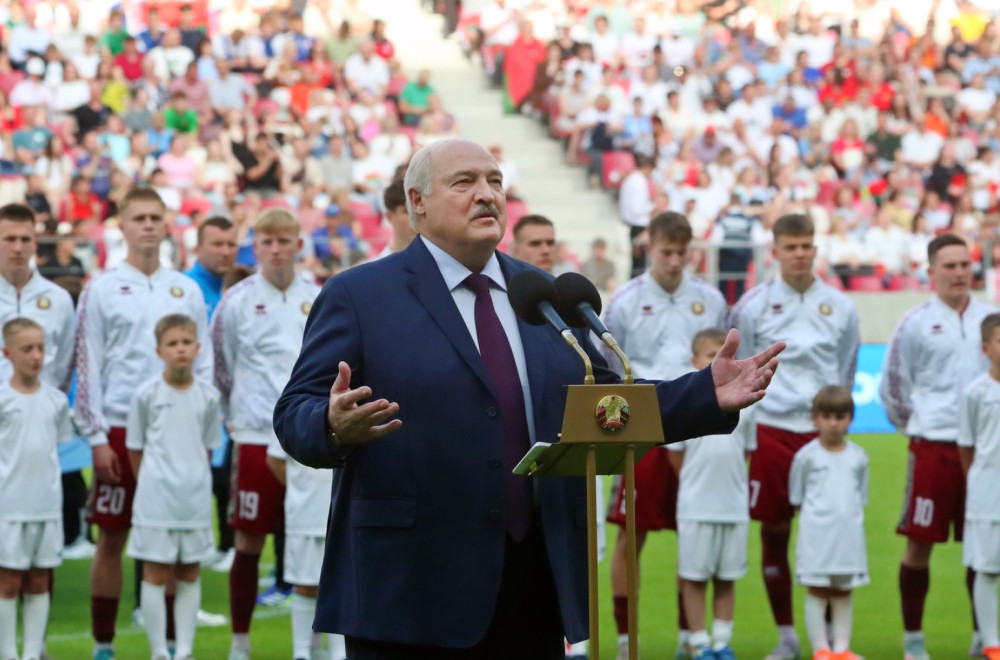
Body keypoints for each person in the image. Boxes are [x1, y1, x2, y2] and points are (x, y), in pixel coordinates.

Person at [272, 139, 783, 659]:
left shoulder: (541, 293)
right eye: (464, 182)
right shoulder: (359, 295)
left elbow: (606, 405)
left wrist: (705, 393)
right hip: (408, 587)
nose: (486, 194)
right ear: (416, 202)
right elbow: (295, 412)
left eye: (494, 181)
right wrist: (333, 425)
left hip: (531, 584)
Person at [75, 187, 212, 660]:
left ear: (167, 223)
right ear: (122, 224)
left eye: (156, 217)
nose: (149, 225)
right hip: (116, 427)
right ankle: (104, 643)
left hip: (175, 432)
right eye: (140, 218)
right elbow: (87, 363)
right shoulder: (101, 287)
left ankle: (173, 645)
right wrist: (95, 436)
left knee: (174, 545)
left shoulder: (187, 289)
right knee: (111, 537)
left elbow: (207, 364)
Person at [728, 213, 860, 660]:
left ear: (816, 248)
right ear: (776, 251)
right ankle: (787, 636)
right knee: (775, 532)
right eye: (792, 246)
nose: (800, 254)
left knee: (828, 533)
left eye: (807, 245)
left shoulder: (840, 306)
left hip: (822, 435)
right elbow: (740, 371)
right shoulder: (752, 305)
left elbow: (844, 372)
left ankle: (829, 642)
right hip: (772, 431)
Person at [602, 211, 727, 659]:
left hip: (697, 430)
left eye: (681, 252)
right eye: (665, 251)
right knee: (630, 536)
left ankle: (688, 639)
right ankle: (623, 640)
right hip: (643, 431)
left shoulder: (710, 300)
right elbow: (608, 366)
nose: (674, 261)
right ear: (648, 247)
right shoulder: (624, 300)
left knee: (692, 535)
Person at [211, 208, 321, 660]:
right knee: (248, 540)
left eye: (284, 241)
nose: (276, 250)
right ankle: (240, 642)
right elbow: (221, 366)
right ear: (254, 248)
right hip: (256, 436)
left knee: (313, 537)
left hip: (309, 435)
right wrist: (239, 418)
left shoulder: (318, 297)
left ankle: (313, 644)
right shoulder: (236, 300)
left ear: (298, 244)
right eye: (266, 242)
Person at [880, 233, 996, 660]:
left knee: (983, 545)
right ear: (931, 273)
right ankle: (913, 642)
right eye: (950, 265)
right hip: (933, 449)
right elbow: (892, 384)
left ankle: (983, 638)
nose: (960, 272)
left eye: (965, 264)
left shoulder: (992, 318)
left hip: (986, 454)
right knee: (919, 544)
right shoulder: (914, 322)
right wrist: (919, 426)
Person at [126, 314, 221, 660]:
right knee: (154, 572)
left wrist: (192, 478)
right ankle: (158, 652)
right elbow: (135, 448)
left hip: (193, 499)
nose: (180, 349)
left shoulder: (209, 397)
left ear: (197, 348)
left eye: (186, 343)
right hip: (155, 499)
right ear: (159, 351)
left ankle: (183, 651)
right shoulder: (146, 395)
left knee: (190, 571)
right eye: (172, 344)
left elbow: (207, 447)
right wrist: (153, 483)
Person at [668, 329, 753, 660]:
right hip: (696, 506)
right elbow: (676, 456)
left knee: (727, 576)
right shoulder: (687, 404)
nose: (716, 357)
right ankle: (698, 642)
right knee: (694, 577)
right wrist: (695, 485)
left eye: (722, 351)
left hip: (733, 507)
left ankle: (721, 642)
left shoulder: (749, 402)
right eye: (708, 353)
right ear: (694, 361)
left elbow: (747, 453)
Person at [0, 318, 71, 660]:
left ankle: (32, 653)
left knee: (39, 580)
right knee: (9, 583)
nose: (36, 356)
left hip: (46, 504)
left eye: (41, 348)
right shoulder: (2, 399)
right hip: (9, 506)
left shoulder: (56, 401)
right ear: (7, 353)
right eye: (27, 349)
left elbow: (55, 447)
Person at [789, 386, 869, 660]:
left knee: (843, 590)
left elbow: (861, 495)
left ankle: (841, 649)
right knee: (818, 589)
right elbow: (797, 497)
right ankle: (821, 649)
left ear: (850, 418)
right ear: (815, 418)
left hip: (848, 536)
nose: (833, 423)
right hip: (817, 536)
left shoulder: (859, 457)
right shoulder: (806, 457)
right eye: (827, 416)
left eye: (840, 416)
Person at [266, 436, 345, 660]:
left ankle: (338, 653)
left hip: (342, 513)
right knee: (305, 585)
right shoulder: (297, 401)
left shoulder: (355, 402)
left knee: (341, 585)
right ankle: (301, 652)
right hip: (305, 514)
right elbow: (274, 457)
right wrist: (298, 491)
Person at [960, 313, 1000, 660]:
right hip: (988, 495)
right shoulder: (976, 392)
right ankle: (990, 644)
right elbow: (966, 445)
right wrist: (982, 481)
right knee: (987, 567)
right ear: (987, 348)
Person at [0, 204, 74, 390]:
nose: (18, 248)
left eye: (25, 239)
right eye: (9, 239)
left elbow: (64, 364)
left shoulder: (59, 299)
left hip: (42, 413)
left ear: (35, 244)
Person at [375, 179, 416, 259]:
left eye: (419, 210)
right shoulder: (378, 268)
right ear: (389, 217)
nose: (416, 218)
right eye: (407, 211)